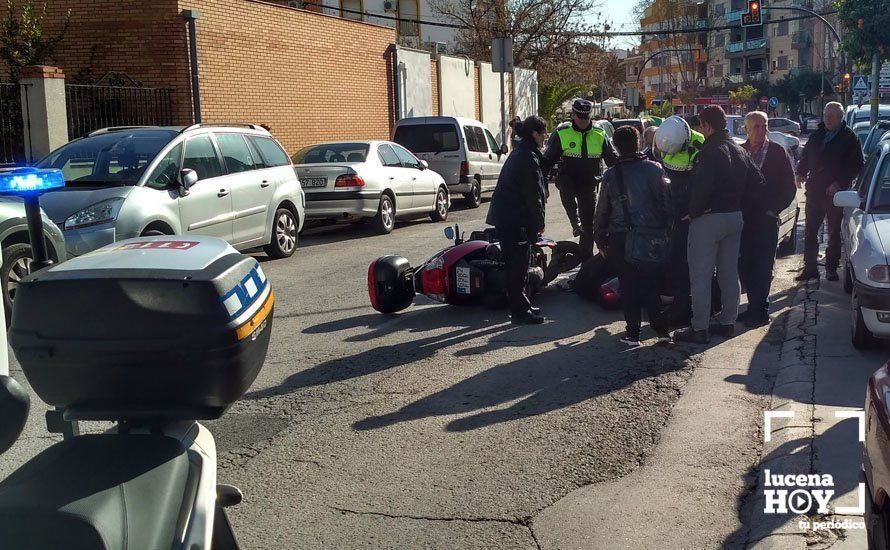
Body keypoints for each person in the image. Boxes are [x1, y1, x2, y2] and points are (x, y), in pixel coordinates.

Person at [674, 106, 765, 344]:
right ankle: (727, 322)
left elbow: (701, 189)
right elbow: (758, 183)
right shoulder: (739, 149)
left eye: (701, 126)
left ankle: (700, 327)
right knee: (728, 273)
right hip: (734, 217)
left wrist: (691, 213)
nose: (700, 130)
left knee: (701, 275)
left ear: (707, 125)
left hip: (708, 218)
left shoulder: (709, 152)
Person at [593, 126, 672, 346]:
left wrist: (599, 239)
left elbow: (602, 211)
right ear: (637, 143)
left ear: (616, 147)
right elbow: (667, 204)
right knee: (651, 283)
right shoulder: (655, 169)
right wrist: (666, 231)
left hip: (622, 237)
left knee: (628, 286)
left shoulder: (611, 174)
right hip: (651, 237)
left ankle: (633, 333)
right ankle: (662, 330)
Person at [486, 116, 549, 325]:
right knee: (517, 267)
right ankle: (520, 312)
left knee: (518, 264)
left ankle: (522, 305)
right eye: (543, 133)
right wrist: (539, 222)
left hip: (508, 218)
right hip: (514, 219)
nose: (545, 137)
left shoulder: (523, 153)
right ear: (534, 134)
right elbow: (533, 195)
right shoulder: (527, 158)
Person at [738, 111, 797, 327]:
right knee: (745, 265)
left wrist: (774, 209)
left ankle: (760, 311)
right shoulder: (741, 151)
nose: (762, 130)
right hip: (744, 220)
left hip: (766, 219)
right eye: (757, 127)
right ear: (746, 129)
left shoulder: (776, 152)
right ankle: (752, 307)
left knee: (763, 266)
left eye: (764, 126)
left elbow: (789, 187)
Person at [796, 102, 864, 281]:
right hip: (814, 191)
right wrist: (800, 172)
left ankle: (831, 268)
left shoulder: (849, 137)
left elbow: (856, 164)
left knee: (834, 233)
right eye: (825, 115)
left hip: (836, 195)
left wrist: (839, 183)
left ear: (840, 118)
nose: (827, 119)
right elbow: (806, 156)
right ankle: (810, 268)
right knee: (810, 232)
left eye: (831, 116)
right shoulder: (818, 134)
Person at [543, 98, 619, 258]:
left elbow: (613, 160)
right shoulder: (562, 133)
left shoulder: (600, 134)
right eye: (580, 118)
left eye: (586, 118)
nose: (583, 122)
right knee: (564, 182)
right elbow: (547, 161)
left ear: (590, 117)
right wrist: (541, 183)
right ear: (573, 116)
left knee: (588, 227)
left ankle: (586, 263)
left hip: (589, 183)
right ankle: (574, 222)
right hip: (568, 179)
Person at [655, 116, 705, 326]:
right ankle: (675, 300)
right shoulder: (663, 139)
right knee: (672, 257)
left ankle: (683, 308)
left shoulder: (700, 146)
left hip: (689, 212)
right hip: (671, 205)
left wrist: (691, 210)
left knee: (683, 261)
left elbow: (700, 184)